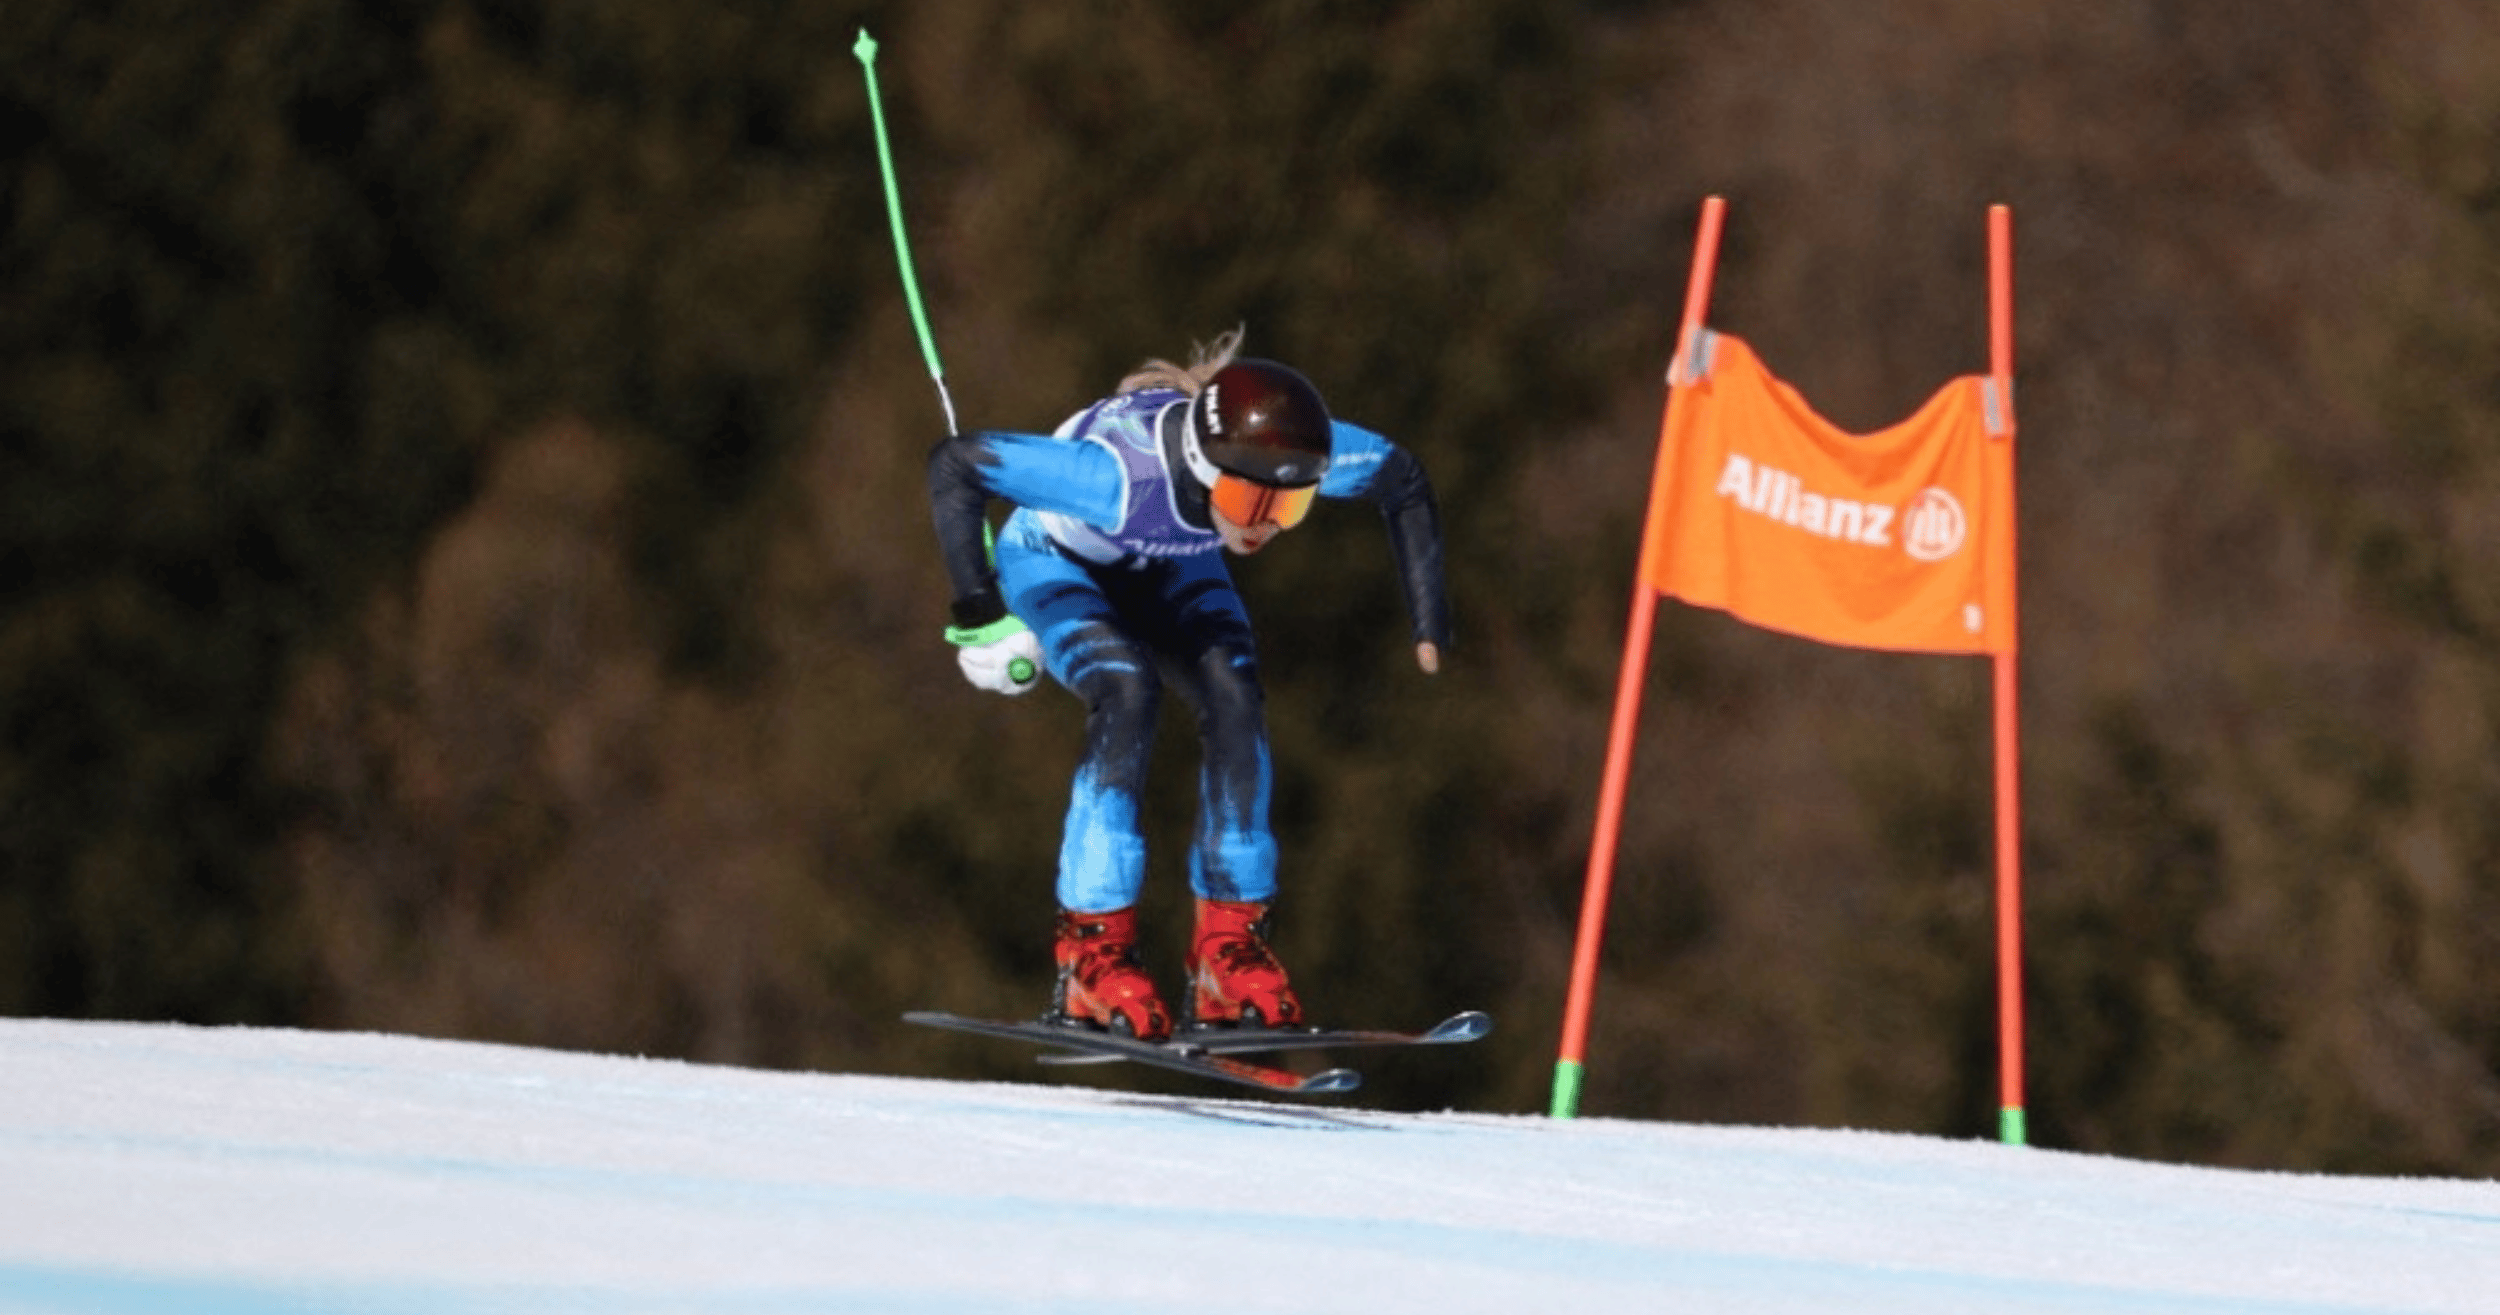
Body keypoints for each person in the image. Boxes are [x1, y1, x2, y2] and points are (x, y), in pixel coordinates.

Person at [925, 328, 1449, 1041]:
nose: (1264, 527)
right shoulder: (1114, 478)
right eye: (1249, 503)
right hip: (1060, 562)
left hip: (1173, 564)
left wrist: (1429, 620)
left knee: (1236, 697)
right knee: (1126, 692)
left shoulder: (1288, 453)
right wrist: (979, 615)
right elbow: (957, 464)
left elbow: (1402, 479)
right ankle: (1092, 953)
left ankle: (1227, 952)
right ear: (1203, 467)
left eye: (1287, 509)